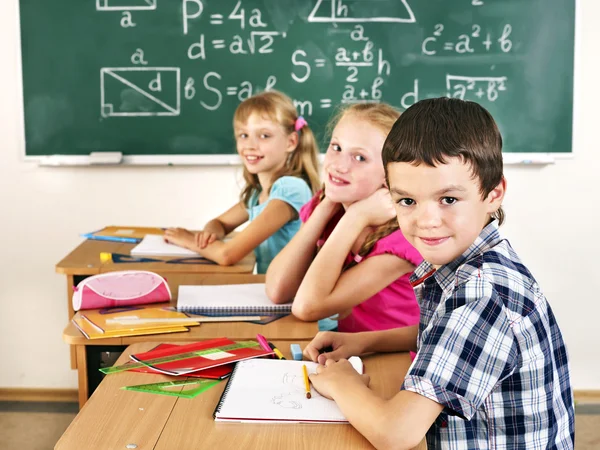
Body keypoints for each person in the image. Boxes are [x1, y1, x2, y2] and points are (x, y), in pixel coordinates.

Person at [303, 98, 575, 450]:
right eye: (407, 201)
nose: (426, 221)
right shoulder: (473, 259)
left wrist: (342, 382)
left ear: (494, 194)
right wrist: (365, 342)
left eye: (448, 199)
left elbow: (395, 433)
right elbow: (444, 333)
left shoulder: (482, 294)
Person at [266, 103, 422, 333]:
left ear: (392, 175)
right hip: (348, 351)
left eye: (359, 157)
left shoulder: (402, 239)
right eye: (336, 147)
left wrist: (356, 217)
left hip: (394, 362)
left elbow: (307, 307)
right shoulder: (333, 208)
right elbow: (279, 290)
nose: (339, 165)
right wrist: (327, 204)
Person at [164, 90, 320, 274]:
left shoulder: (291, 189)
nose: (250, 145)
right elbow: (219, 223)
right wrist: (211, 232)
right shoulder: (257, 194)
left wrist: (189, 240)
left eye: (264, 136)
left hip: (292, 300)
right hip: (267, 291)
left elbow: (227, 255)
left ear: (291, 142)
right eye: (243, 135)